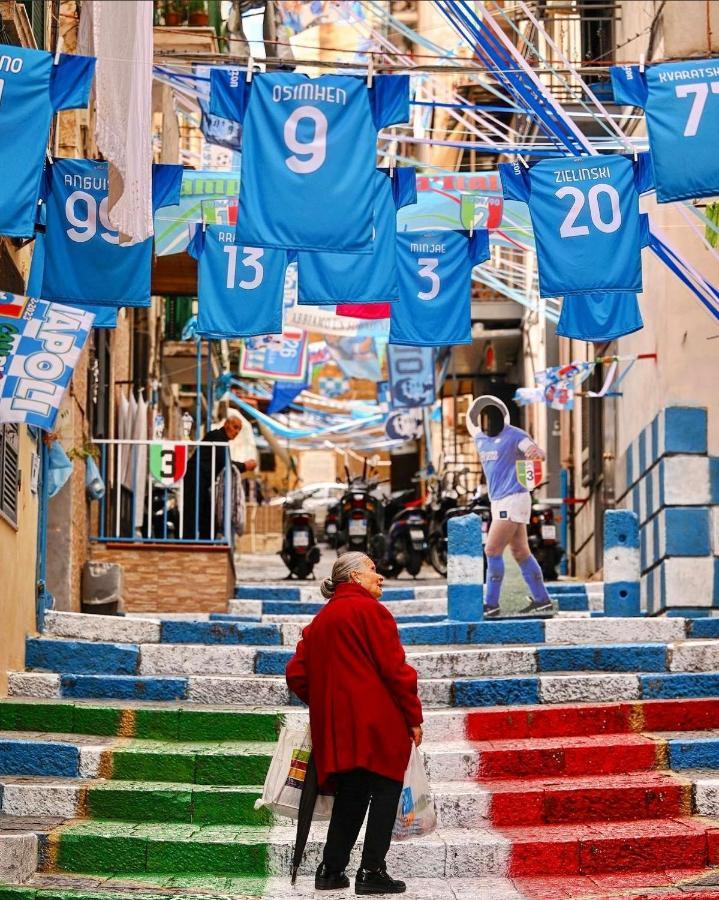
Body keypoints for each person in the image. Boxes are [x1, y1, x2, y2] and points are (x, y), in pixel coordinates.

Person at [285, 552, 423, 895]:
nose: (380, 576)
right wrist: (413, 717)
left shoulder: (322, 620)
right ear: (354, 577)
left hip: (338, 726)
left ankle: (331, 870)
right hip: (379, 721)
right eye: (373, 570)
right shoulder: (372, 612)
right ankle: (372, 871)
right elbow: (396, 672)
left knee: (354, 791)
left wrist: (329, 701)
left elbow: (296, 674)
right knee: (387, 787)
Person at [466, 395, 554, 618]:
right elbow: (470, 420)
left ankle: (491, 604)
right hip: (499, 501)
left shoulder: (515, 435)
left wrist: (537, 453)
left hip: (514, 498)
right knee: (520, 551)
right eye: (484, 418)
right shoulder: (480, 438)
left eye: (492, 416)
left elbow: (534, 450)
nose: (488, 422)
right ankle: (542, 601)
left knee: (492, 549)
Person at [182, 416, 256, 540]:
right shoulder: (217, 437)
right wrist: (245, 466)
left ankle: (204, 542)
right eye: (235, 427)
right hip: (195, 479)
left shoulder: (222, 440)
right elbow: (224, 462)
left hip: (203, 482)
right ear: (227, 424)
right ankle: (189, 542)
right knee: (193, 513)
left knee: (207, 515)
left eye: (239, 430)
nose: (237, 432)